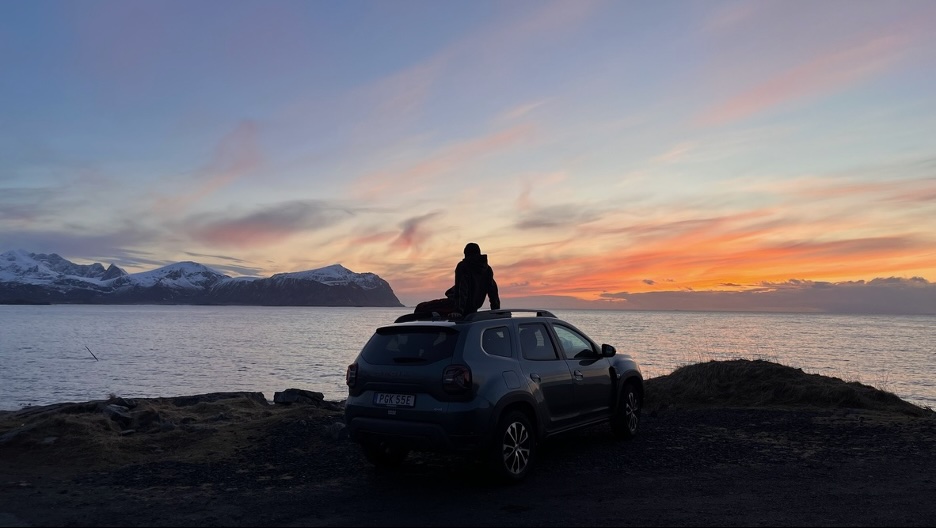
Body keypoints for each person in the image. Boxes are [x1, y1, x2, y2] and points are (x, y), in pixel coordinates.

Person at [414, 242, 500, 319]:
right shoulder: (487, 269)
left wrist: (458, 311)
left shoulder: (463, 266)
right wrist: (496, 311)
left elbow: (462, 288)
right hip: (472, 309)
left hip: (455, 306)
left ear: (466, 254)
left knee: (421, 307)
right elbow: (493, 291)